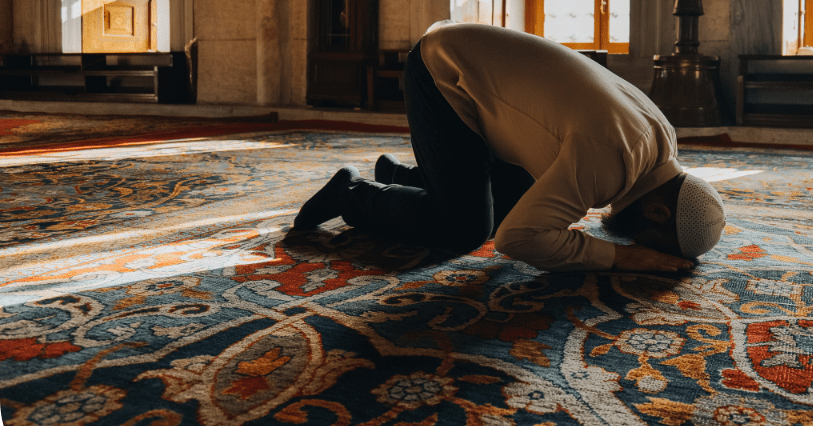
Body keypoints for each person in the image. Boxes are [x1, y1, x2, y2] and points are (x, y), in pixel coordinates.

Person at [293, 22, 726, 272]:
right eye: (652, 241)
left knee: (515, 200)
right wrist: (626, 260)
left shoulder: (662, 137)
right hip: (443, 71)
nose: (642, 244)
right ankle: (350, 192)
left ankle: (406, 177)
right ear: (656, 211)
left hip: (478, 77)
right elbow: (515, 241)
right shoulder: (609, 161)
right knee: (465, 230)